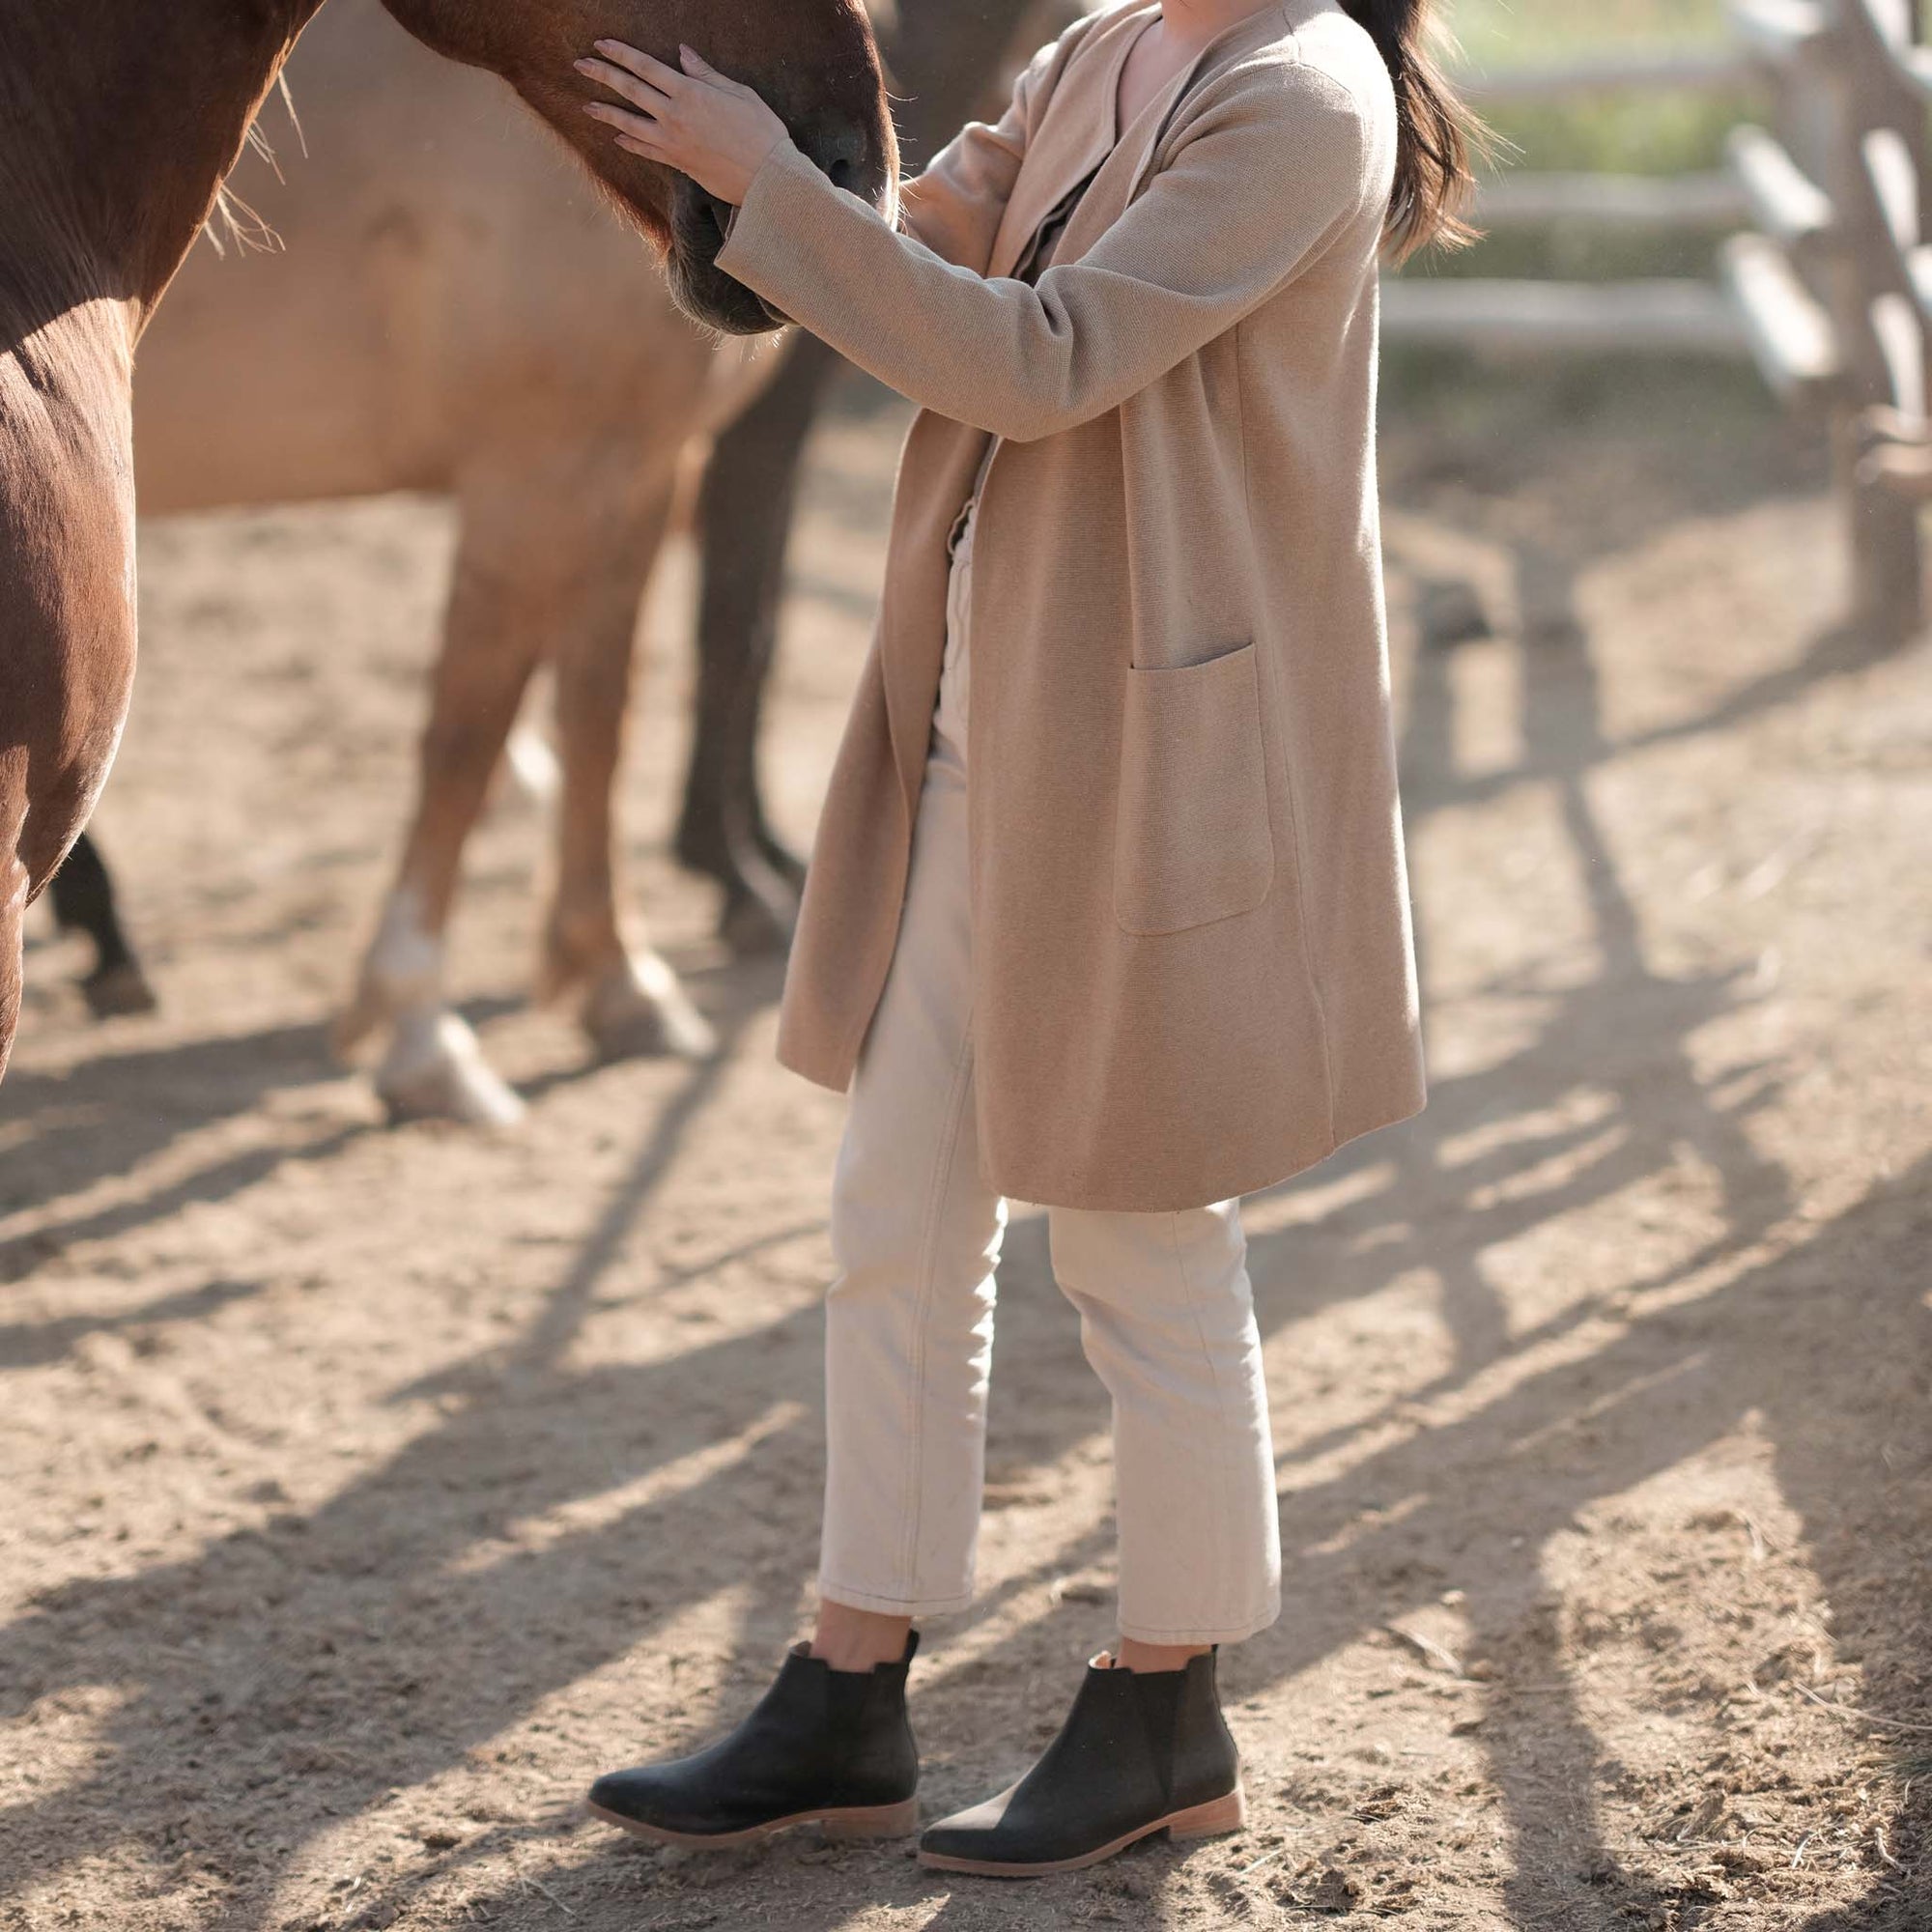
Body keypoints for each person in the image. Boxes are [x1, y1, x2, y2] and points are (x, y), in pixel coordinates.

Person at [571, 0, 1478, 1879]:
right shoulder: (1099, 49)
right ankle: (849, 1681)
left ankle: (1167, 1700)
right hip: (976, 741)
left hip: (1153, 756)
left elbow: (1043, 361)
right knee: (891, 1217)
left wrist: (764, 185)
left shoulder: (1302, 98)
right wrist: (736, 169)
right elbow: (920, 242)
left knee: (1140, 1239)